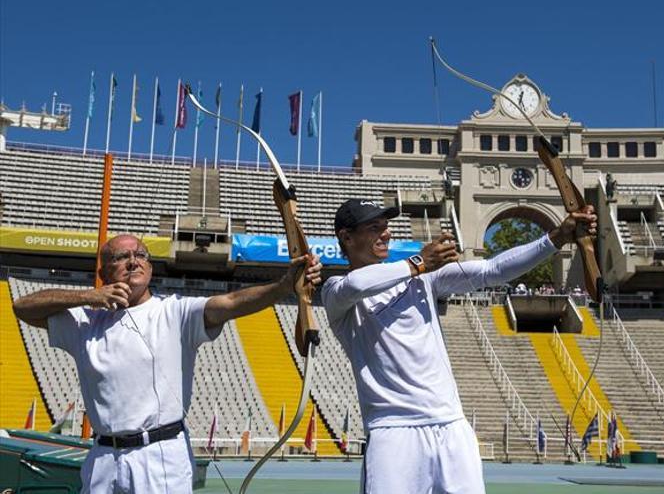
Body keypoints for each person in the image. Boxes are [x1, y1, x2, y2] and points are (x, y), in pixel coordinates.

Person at [322, 198, 597, 494]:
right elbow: (356, 286)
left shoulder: (423, 278)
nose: (385, 233)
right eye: (374, 227)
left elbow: (493, 270)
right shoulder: (336, 290)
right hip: (393, 432)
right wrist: (418, 262)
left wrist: (557, 237)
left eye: (386, 226)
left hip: (452, 426)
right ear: (346, 237)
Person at [12, 234, 322, 493]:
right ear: (104, 271)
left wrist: (283, 287)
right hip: (104, 456)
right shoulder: (86, 321)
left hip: (158, 454)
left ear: (149, 266)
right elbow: (22, 306)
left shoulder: (174, 313)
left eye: (140, 255)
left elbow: (229, 304)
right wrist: (88, 296)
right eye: (121, 257)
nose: (133, 261)